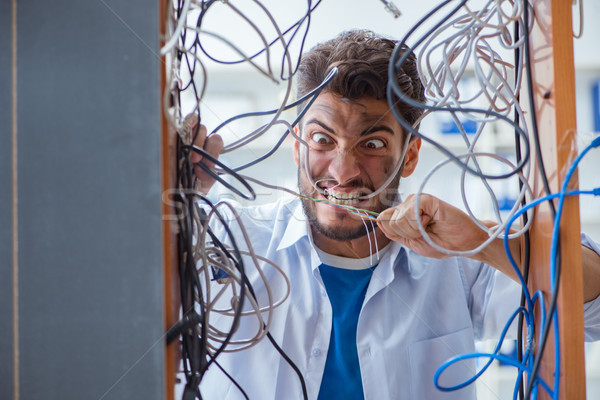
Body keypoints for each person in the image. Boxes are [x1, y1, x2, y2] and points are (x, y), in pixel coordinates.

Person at [189, 30, 600, 399]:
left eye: (373, 144)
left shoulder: (454, 258)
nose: (343, 171)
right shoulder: (230, 242)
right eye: (322, 139)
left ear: (410, 156)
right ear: (297, 146)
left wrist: (481, 240)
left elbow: (593, 311)